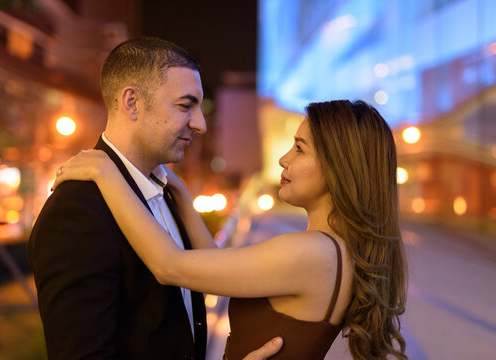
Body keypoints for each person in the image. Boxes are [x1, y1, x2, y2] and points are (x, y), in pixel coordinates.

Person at [53, 100, 408, 359]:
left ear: (339, 168)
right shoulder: (334, 250)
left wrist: (106, 172)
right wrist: (181, 195)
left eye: (300, 149)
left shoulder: (311, 252)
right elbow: (218, 266)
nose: (284, 159)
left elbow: (170, 266)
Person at [28, 36, 281, 360]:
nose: (200, 124)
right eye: (185, 105)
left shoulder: (169, 191)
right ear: (132, 102)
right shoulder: (76, 214)